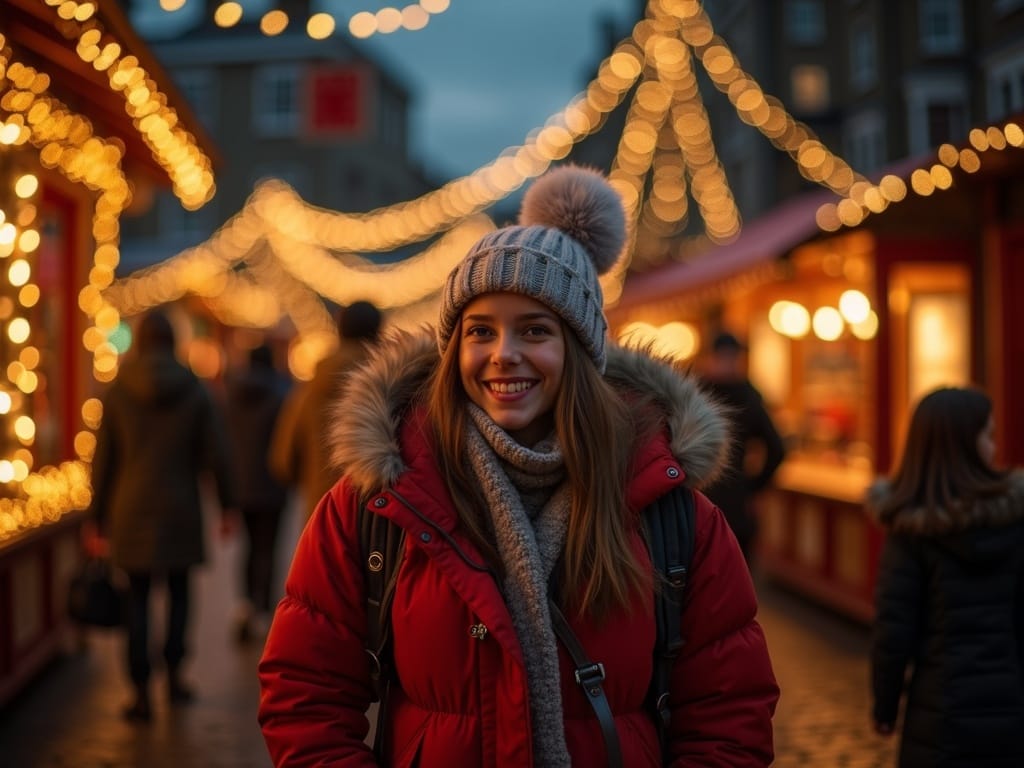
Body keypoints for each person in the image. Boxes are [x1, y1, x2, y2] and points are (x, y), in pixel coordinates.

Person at [257, 164, 778, 766]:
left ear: (579, 351)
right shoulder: (377, 505)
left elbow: (729, 713)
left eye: (534, 330)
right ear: (455, 349)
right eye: (481, 331)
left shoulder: (672, 514)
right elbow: (304, 695)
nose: (504, 355)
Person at [84, 309, 237, 722]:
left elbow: (104, 461)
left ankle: (139, 692)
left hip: (130, 511)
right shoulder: (195, 389)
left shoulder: (117, 392)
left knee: (136, 598)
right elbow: (216, 454)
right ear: (173, 341)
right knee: (180, 595)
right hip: (180, 508)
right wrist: (226, 506)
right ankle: (175, 677)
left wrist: (96, 520)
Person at [869, 386, 1024, 767]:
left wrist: (885, 708)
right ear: (967, 445)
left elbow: (894, 633)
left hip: (940, 712)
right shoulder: (1016, 519)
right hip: (1013, 707)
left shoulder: (910, 530)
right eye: (988, 436)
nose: (994, 447)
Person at [268, 299, 382, 519]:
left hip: (323, 515)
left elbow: (283, 459)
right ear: (379, 332)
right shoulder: (395, 386)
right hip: (379, 523)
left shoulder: (312, 389)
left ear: (339, 331)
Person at [699, 330, 786, 565]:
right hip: (734, 498)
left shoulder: (697, 393)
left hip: (704, 497)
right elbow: (777, 448)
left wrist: (754, 488)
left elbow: (777, 449)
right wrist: (754, 488)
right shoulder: (748, 396)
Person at [224, 343, 290, 644]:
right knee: (269, 547)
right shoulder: (280, 396)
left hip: (241, 484)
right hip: (273, 484)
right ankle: (264, 609)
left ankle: (246, 603)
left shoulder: (231, 396)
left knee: (248, 547)